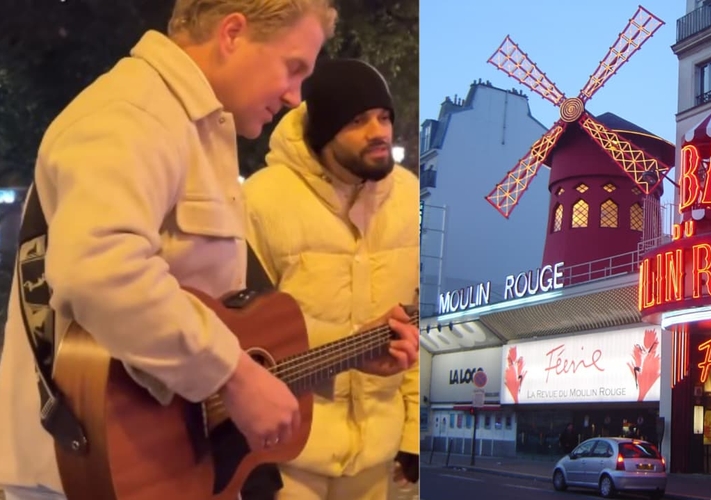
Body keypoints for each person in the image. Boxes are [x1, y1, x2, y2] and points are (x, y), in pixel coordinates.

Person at [0, 2, 414, 500]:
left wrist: (346, 354)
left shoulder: (190, 128)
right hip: (86, 472)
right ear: (233, 34)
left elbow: (216, 322)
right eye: (293, 67)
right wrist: (234, 376)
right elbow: (99, 271)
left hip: (153, 469)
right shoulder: (134, 112)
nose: (292, 96)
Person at [241, 57, 420, 500]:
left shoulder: (410, 197)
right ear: (323, 132)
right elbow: (237, 333)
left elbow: (418, 323)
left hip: (375, 454)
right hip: (290, 452)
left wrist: (414, 434)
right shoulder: (262, 200)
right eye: (358, 121)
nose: (378, 132)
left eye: (383, 117)